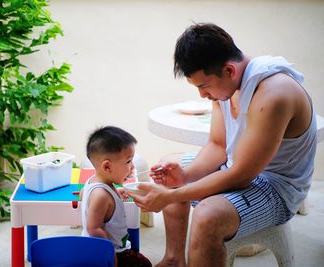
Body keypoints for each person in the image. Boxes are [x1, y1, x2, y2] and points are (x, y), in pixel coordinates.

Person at [125, 23, 317, 267]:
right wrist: (184, 175)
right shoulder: (225, 88)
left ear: (229, 70)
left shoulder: (274, 94)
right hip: (238, 167)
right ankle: (174, 260)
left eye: (203, 86)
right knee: (167, 169)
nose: (202, 95)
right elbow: (217, 146)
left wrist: (172, 195)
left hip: (277, 187)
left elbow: (241, 176)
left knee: (207, 216)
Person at [81, 126, 152, 267]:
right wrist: (110, 255)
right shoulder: (101, 195)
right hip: (112, 251)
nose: (132, 167)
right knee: (144, 264)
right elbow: (93, 228)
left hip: (107, 247)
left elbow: (84, 194)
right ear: (107, 167)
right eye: (128, 161)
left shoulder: (92, 182)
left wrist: (115, 194)